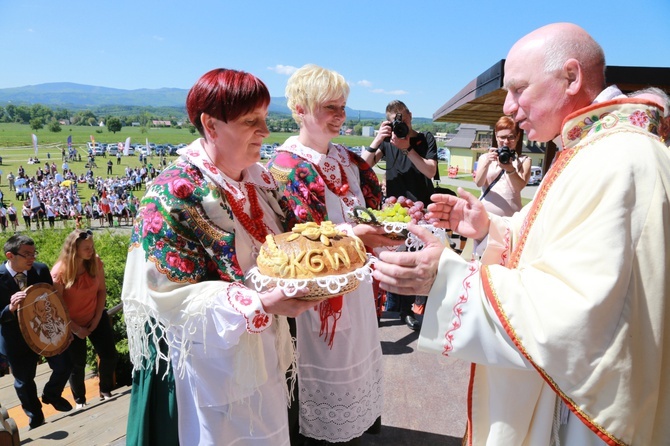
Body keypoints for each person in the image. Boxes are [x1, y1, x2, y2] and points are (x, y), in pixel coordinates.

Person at [372, 23, 670, 445]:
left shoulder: (618, 159)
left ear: (571, 77)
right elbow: (561, 243)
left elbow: (578, 312)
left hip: (582, 414)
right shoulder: (599, 150)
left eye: (519, 89)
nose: (509, 108)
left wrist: (448, 278)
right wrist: (491, 227)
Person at [121, 68, 315, 446]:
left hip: (261, 352)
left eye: (264, 118)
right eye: (250, 121)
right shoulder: (173, 193)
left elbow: (298, 241)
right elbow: (165, 295)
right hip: (207, 366)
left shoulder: (260, 182)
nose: (265, 131)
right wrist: (255, 303)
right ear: (210, 125)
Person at [268, 64, 393, 445]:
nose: (340, 116)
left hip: (357, 282)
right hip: (318, 292)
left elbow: (370, 206)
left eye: (343, 108)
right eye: (329, 107)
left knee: (358, 357)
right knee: (325, 367)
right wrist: (356, 233)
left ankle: (354, 429)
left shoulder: (345, 158)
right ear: (300, 109)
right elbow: (295, 240)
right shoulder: (287, 166)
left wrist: (386, 222)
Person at [362, 100, 438, 331]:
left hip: (420, 211)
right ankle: (393, 309)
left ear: (410, 116)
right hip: (395, 212)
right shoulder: (387, 141)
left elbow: (430, 170)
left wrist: (407, 147)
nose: (399, 125)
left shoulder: (425, 138)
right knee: (392, 262)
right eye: (394, 122)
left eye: (402, 120)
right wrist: (378, 140)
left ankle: (410, 310)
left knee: (416, 264)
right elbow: (362, 167)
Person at [0, 235, 73, 429]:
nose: (32, 258)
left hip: (45, 332)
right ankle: (36, 416)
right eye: (26, 255)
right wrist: (10, 308)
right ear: (10, 255)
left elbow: (52, 301)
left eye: (33, 253)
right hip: (15, 338)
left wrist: (63, 328)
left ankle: (52, 395)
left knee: (64, 365)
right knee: (24, 381)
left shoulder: (40, 270)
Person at [51, 229, 119, 409]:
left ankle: (105, 389)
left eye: (92, 246)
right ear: (74, 250)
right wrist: (75, 328)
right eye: (86, 248)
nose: (91, 251)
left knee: (109, 355)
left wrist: (97, 319)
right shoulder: (59, 272)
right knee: (76, 364)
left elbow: (101, 291)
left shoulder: (95, 262)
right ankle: (80, 400)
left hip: (95, 315)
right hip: (70, 323)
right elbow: (57, 307)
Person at [472, 116, 531, 255]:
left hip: (511, 221)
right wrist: (487, 162)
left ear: (517, 138)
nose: (506, 142)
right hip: (486, 219)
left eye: (511, 137)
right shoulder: (485, 158)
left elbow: (518, 187)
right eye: (502, 137)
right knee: (483, 257)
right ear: (496, 136)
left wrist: (510, 168)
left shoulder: (524, 161)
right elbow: (479, 182)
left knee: (507, 257)